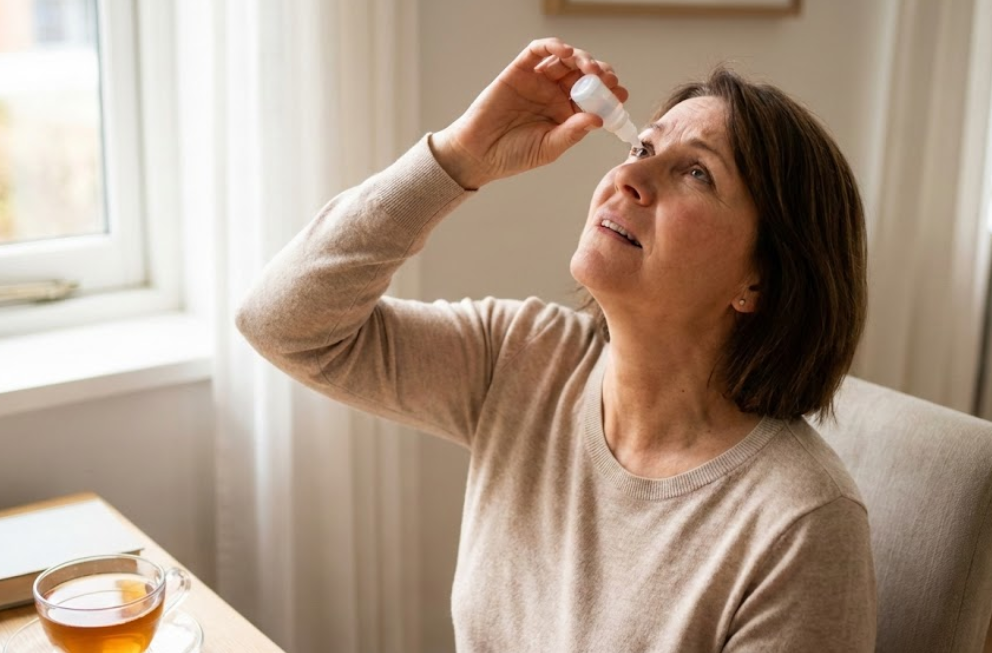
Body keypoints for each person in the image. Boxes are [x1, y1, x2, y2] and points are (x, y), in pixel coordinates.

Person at [237, 37, 876, 652]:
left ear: (759, 280)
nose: (630, 175)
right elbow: (282, 323)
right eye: (643, 146)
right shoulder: (525, 356)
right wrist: (459, 157)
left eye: (697, 173)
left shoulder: (803, 524)